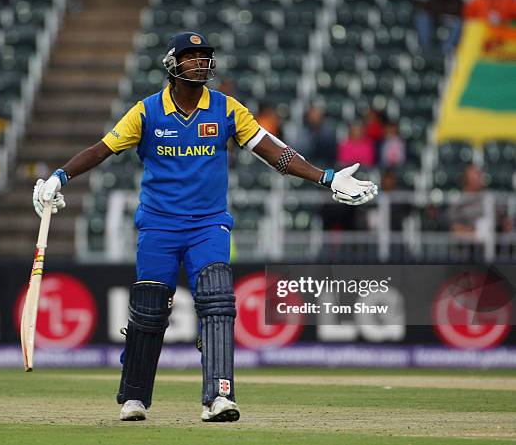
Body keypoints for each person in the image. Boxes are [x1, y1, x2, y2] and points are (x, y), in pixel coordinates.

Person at [31, 32, 378, 423]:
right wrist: (60, 177)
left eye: (204, 56)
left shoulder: (227, 109)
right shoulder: (146, 112)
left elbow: (273, 152)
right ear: (173, 65)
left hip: (209, 225)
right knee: (148, 313)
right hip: (158, 226)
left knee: (217, 303)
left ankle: (218, 396)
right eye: (190, 56)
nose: (199, 62)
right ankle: (134, 398)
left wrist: (326, 178)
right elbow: (101, 150)